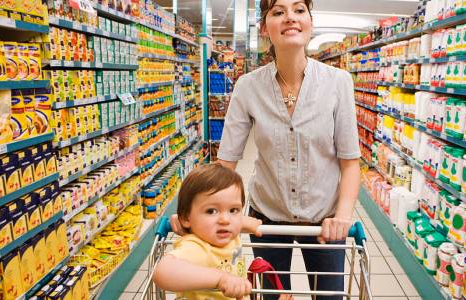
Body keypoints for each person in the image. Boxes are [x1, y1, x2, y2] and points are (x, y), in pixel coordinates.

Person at [171, 0, 361, 298]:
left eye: (299, 10)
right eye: (278, 12)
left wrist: (343, 216)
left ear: (311, 21)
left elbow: (350, 162)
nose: (290, 18)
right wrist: (191, 210)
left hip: (326, 221)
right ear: (264, 28)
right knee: (271, 295)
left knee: (330, 296)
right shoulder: (248, 86)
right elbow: (226, 165)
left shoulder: (338, 83)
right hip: (266, 220)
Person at [152, 163, 263, 300]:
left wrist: (243, 222)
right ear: (186, 218)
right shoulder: (197, 247)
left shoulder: (227, 234)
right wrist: (220, 279)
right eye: (211, 211)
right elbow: (163, 272)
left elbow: (231, 220)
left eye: (233, 210)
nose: (225, 220)